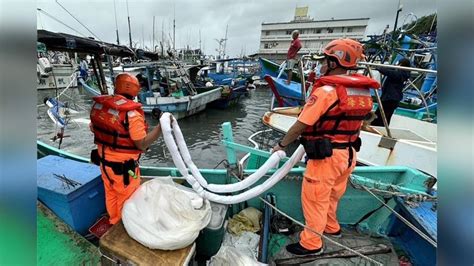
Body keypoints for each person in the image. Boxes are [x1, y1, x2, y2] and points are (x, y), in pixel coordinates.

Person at [272, 39, 380, 255]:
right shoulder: (361, 91)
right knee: (333, 195)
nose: (321, 65)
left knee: (315, 199)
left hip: (326, 157)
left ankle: (311, 244)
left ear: (334, 62)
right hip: (349, 155)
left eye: (324, 61)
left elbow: (301, 125)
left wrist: (281, 145)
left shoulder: (327, 91)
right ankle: (332, 228)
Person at [89, 73, 165, 225]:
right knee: (127, 198)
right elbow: (141, 144)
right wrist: (161, 127)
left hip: (104, 163)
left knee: (110, 193)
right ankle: (123, 227)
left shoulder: (101, 106)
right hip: (124, 169)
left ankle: (113, 220)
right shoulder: (132, 114)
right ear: (135, 90)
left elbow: (93, 128)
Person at [371, 58, 411, 126]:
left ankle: (378, 128)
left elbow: (389, 72)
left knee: (382, 116)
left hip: (390, 99)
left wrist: (378, 67)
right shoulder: (401, 73)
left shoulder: (402, 74)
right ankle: (377, 127)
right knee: (383, 115)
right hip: (390, 97)